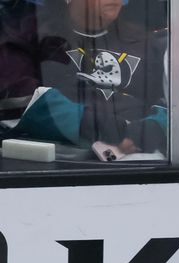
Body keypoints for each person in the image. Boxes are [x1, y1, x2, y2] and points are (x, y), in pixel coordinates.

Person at [1, 0, 166, 155]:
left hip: (145, 162)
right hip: (58, 162)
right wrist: (92, 125)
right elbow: (17, 99)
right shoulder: (29, 33)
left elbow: (174, 103)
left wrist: (156, 126)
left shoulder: (147, 42)